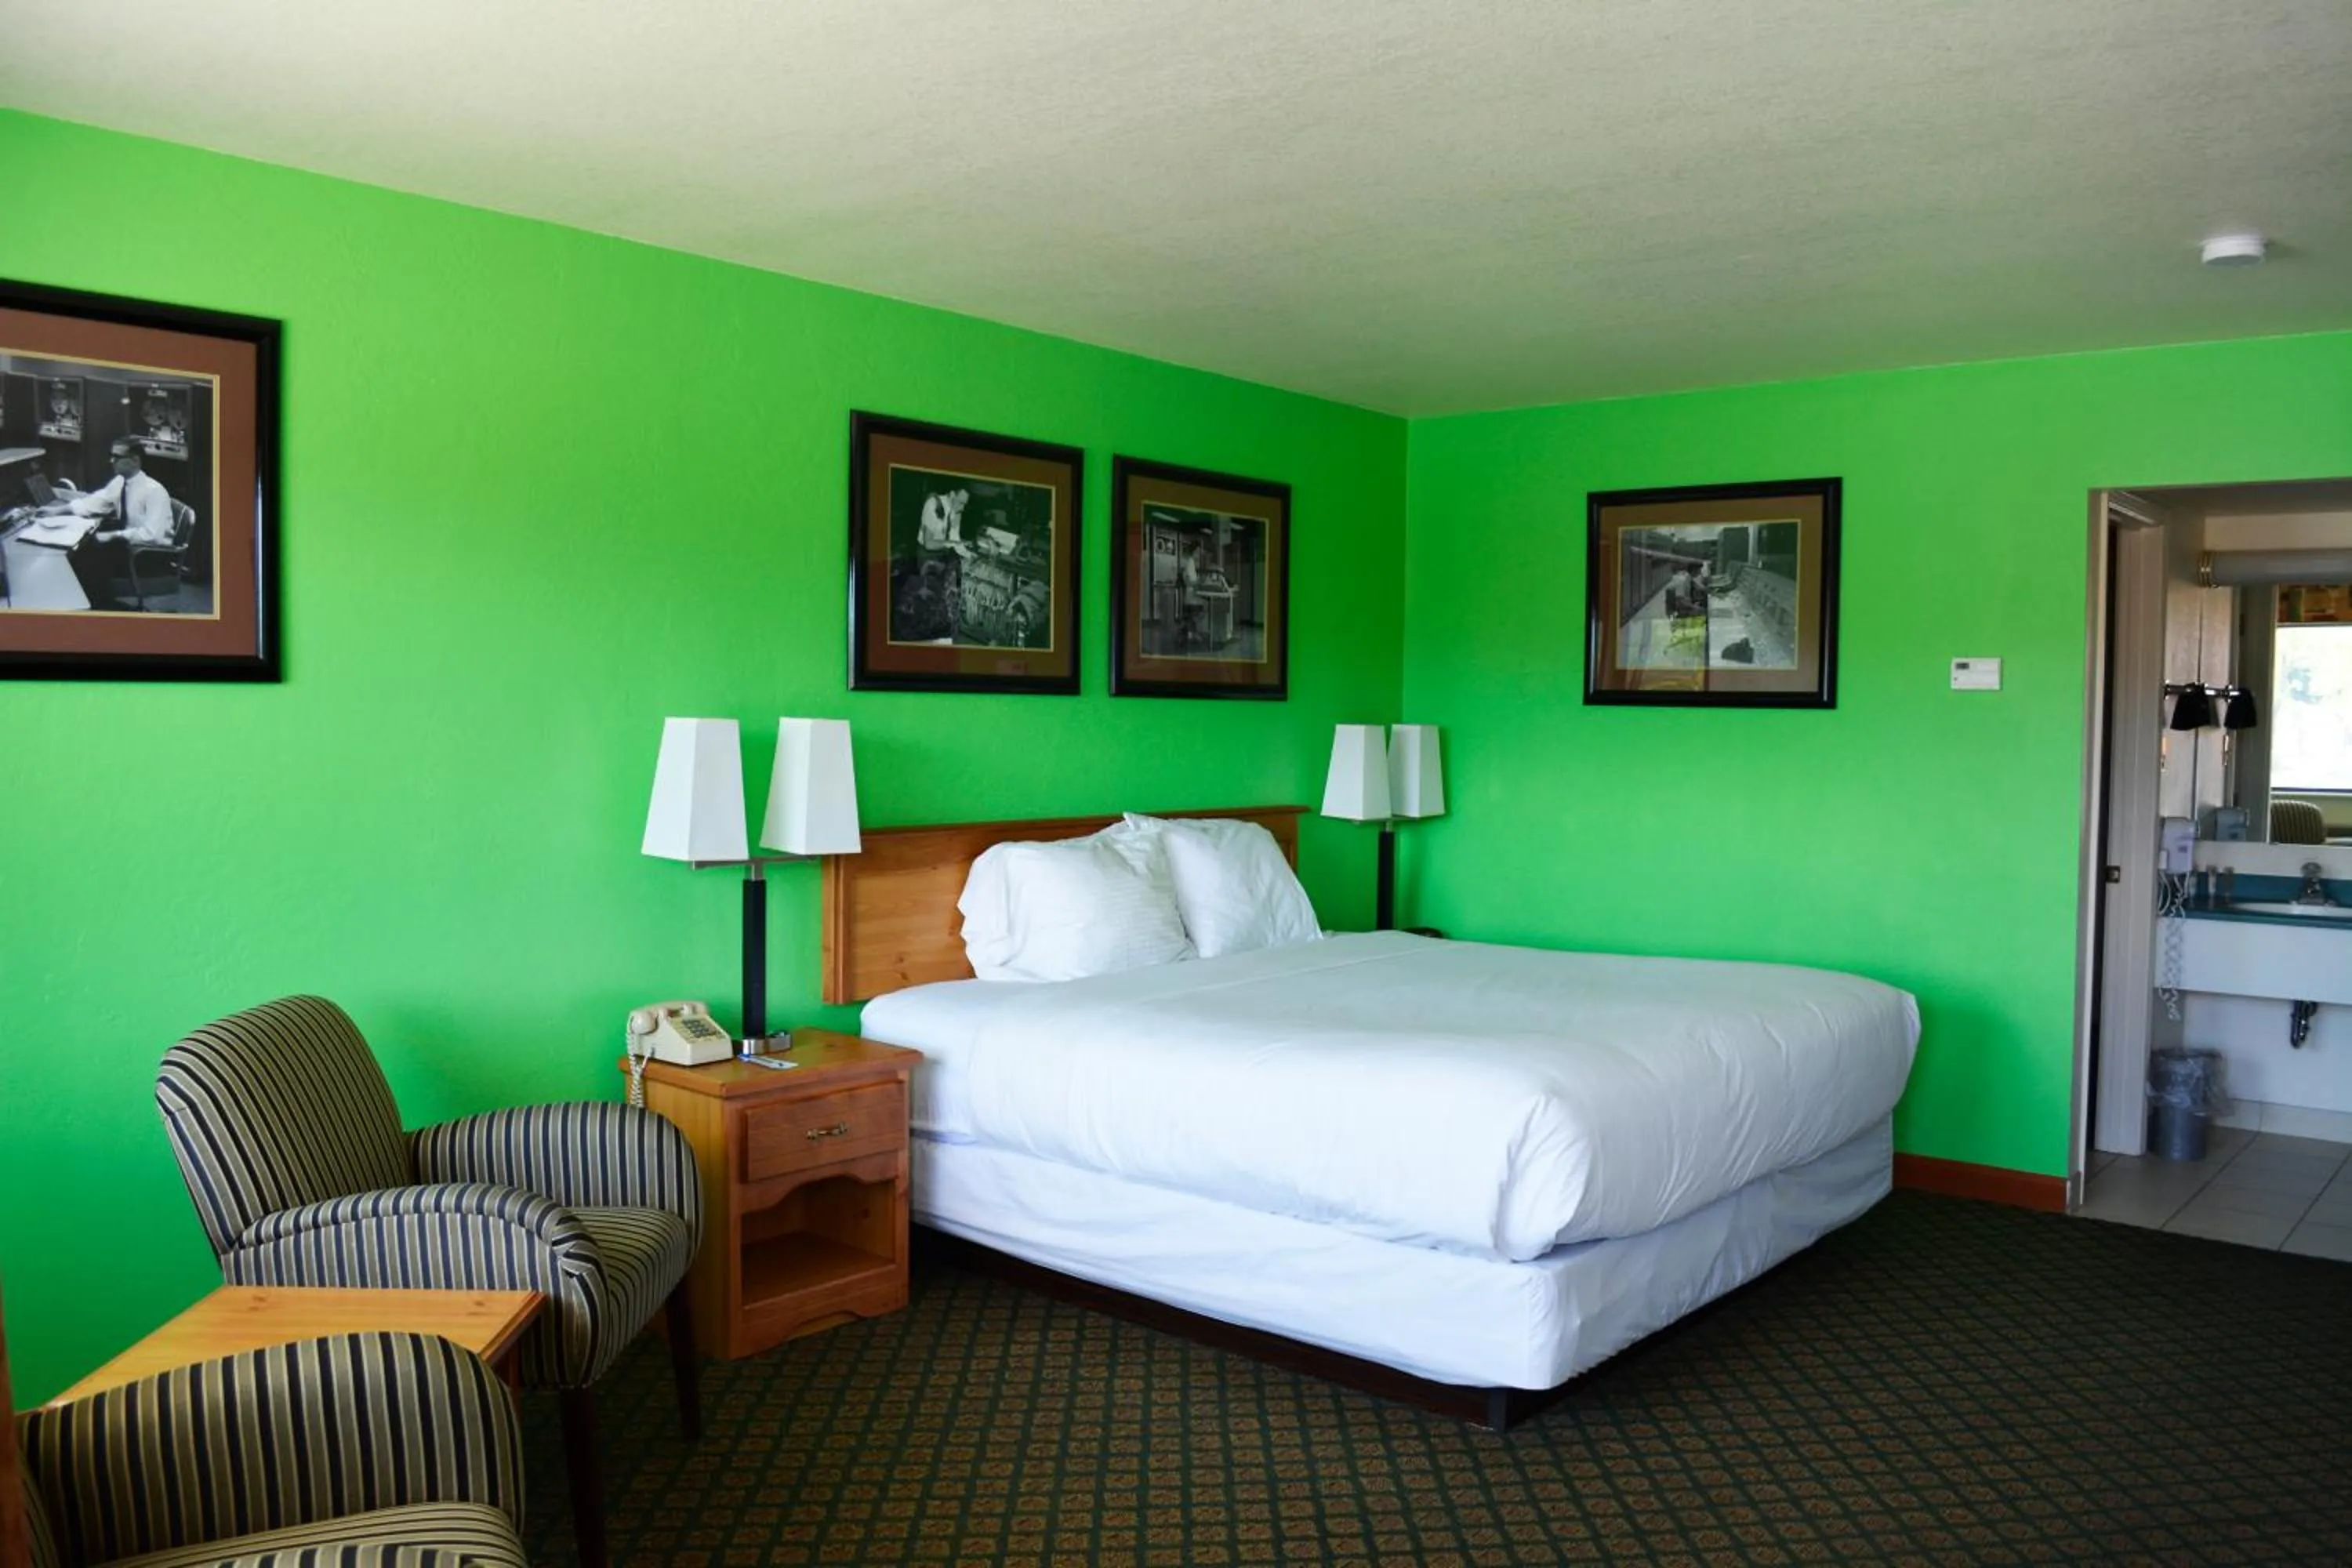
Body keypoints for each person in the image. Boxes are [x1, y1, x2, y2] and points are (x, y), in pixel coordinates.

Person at [42, 437, 175, 609]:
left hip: (150, 554)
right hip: (132, 546)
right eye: (111, 456)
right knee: (82, 555)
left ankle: (105, 608)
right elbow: (96, 502)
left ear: (135, 460)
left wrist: (114, 535)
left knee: (89, 562)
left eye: (117, 457)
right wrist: (59, 511)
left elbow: (153, 535)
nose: (111, 461)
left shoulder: (154, 491)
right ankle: (99, 605)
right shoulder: (120, 482)